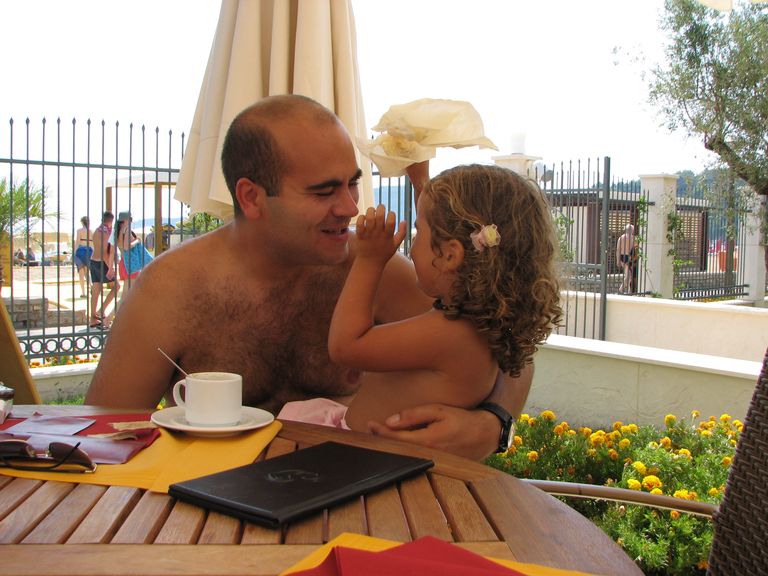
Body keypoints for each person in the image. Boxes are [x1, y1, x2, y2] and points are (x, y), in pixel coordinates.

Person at [85, 94, 534, 459]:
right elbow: (103, 437)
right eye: (324, 192)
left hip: (365, 505)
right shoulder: (171, 290)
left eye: (352, 183)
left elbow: (506, 337)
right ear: (251, 197)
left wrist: (494, 423)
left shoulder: (373, 270)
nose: (351, 207)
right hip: (214, 514)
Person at [279, 164, 562, 432]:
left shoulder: (450, 334)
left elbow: (345, 347)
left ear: (450, 255)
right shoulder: (482, 328)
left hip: (363, 452)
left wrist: (369, 260)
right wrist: (420, 181)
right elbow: (442, 223)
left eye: (418, 232)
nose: (411, 247)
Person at [89, 211, 120, 328]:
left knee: (96, 290)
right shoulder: (105, 232)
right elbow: (105, 253)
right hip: (102, 263)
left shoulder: (96, 231)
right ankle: (101, 310)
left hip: (93, 261)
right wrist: (110, 268)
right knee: (117, 287)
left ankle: (93, 318)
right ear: (111, 220)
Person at [115, 211, 141, 294]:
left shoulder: (117, 231)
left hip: (123, 262)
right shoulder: (126, 230)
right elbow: (126, 247)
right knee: (128, 292)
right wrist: (137, 241)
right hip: (130, 263)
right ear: (125, 220)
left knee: (128, 291)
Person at [73, 216, 93, 298]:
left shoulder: (79, 231)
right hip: (89, 251)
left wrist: (74, 253)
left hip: (81, 251)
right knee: (87, 272)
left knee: (81, 272)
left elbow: (77, 242)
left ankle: (83, 292)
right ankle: (91, 286)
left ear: (82, 222)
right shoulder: (91, 231)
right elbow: (93, 244)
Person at [616, 223, 636, 294]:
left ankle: (628, 291)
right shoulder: (633, 238)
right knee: (628, 275)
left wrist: (618, 260)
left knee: (629, 275)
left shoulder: (621, 238)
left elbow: (618, 250)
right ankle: (621, 289)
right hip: (629, 257)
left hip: (623, 257)